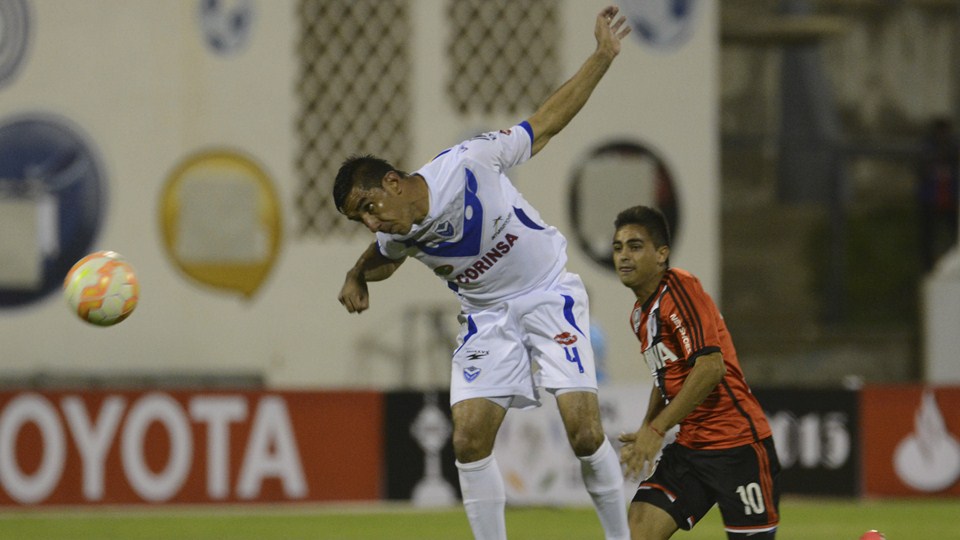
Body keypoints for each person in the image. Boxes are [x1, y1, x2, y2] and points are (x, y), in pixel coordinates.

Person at [334, 6, 632, 540]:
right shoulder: (394, 233)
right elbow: (381, 256)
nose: (370, 221)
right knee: (468, 441)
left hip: (547, 293)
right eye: (359, 217)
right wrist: (357, 273)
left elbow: (544, 124)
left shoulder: (469, 161)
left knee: (584, 433)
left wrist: (602, 57)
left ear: (395, 182)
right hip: (486, 316)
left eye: (369, 204)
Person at [612, 206, 781, 539]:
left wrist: (657, 430)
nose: (623, 256)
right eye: (618, 247)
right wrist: (648, 425)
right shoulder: (639, 316)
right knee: (638, 529)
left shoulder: (681, 289)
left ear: (662, 254)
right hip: (691, 449)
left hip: (738, 447)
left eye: (635, 246)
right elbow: (665, 379)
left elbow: (710, 368)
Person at [916, 117, 959, 272]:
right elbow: (921, 170)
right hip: (931, 198)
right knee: (928, 235)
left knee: (953, 232)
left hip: (950, 197)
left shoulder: (953, 147)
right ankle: (928, 266)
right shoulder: (927, 147)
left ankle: (951, 260)